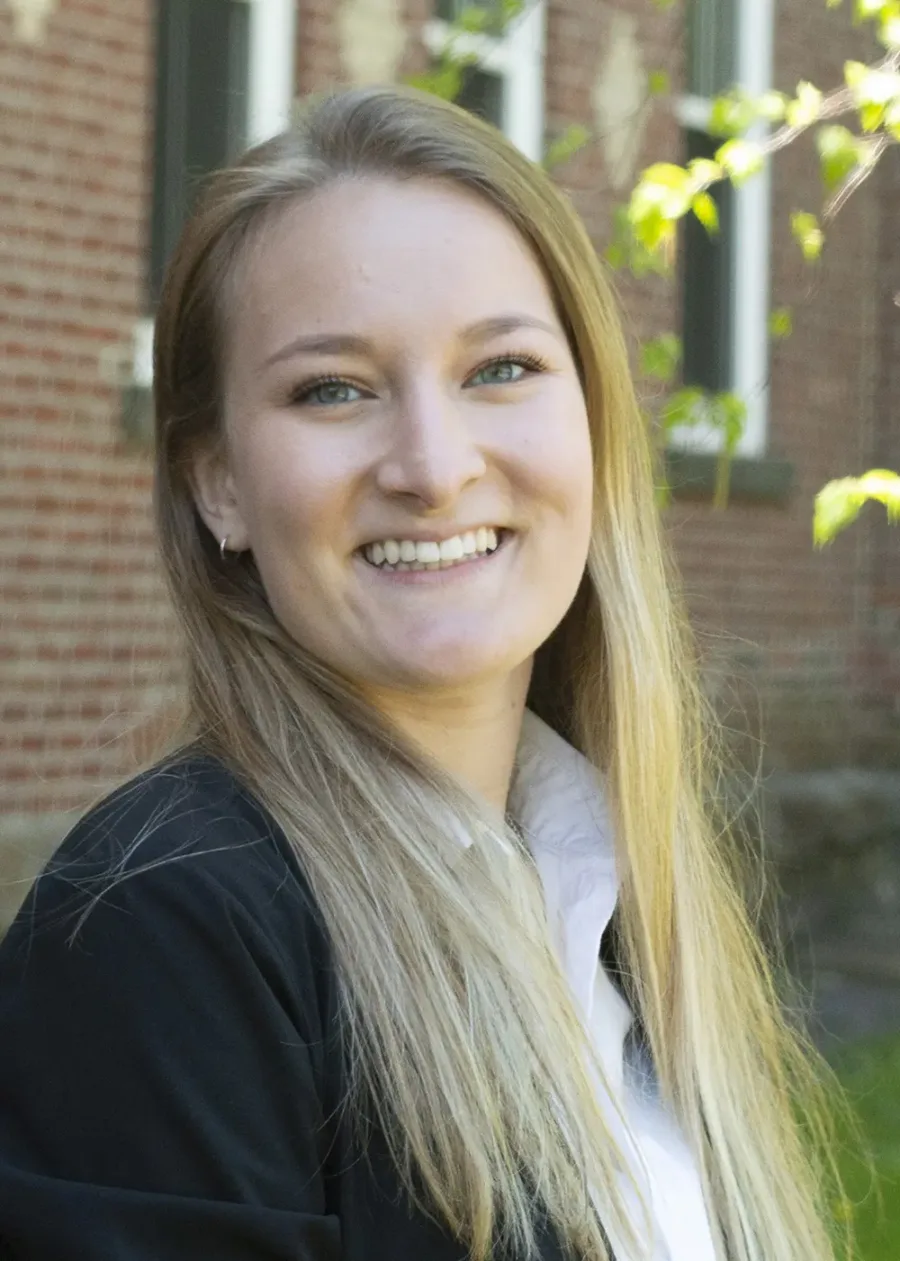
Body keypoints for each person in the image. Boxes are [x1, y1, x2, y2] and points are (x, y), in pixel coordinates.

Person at [0, 86, 841, 1261]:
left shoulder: (611, 891)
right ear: (216, 483)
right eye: (332, 390)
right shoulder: (166, 933)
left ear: (594, 422)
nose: (435, 469)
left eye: (500, 369)